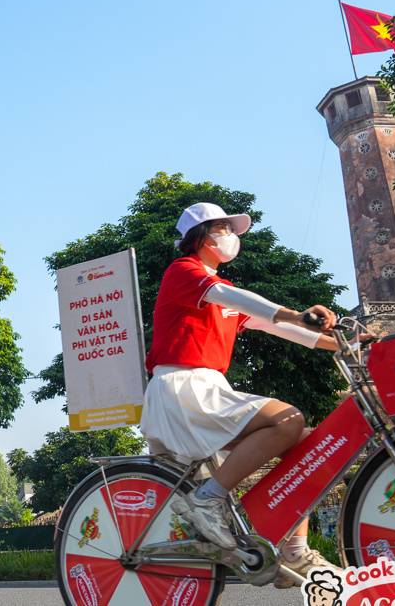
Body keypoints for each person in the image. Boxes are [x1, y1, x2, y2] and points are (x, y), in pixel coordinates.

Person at [142, 202, 343, 588]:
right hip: (181, 387)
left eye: (231, 229)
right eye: (222, 228)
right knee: (288, 418)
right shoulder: (184, 272)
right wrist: (296, 312)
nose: (231, 236)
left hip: (207, 388)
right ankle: (207, 498)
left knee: (307, 446)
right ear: (199, 238)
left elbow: (276, 325)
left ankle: (295, 554)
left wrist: (342, 344)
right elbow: (247, 304)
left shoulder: (223, 292)